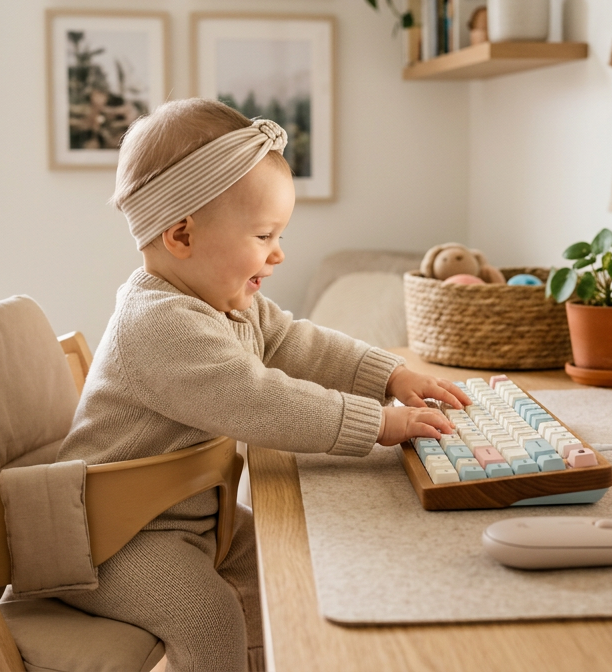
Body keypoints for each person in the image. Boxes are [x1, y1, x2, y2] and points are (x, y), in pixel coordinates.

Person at [56, 98, 470, 672]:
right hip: (114, 542)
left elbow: (297, 342)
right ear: (181, 235)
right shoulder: (160, 325)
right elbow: (259, 399)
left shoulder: (222, 303)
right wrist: (380, 422)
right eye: (263, 234)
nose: (278, 253)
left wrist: (390, 373)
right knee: (210, 616)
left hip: (189, 519)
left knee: (282, 569)